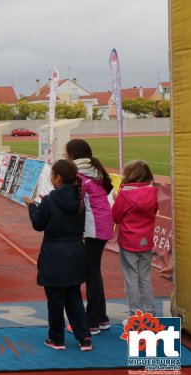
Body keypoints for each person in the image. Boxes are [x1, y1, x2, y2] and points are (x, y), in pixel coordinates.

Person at [24, 159, 92, 351]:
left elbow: (38, 224)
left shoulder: (50, 200)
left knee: (55, 300)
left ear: (59, 178)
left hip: (54, 255)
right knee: (74, 297)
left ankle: (57, 339)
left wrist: (31, 207)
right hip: (76, 252)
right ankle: (84, 337)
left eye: (52, 176)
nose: (51, 179)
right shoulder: (79, 200)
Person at [64, 139, 114, 335]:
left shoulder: (78, 175)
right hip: (101, 225)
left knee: (90, 274)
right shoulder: (95, 171)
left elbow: (74, 203)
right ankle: (100, 318)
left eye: (66, 154)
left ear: (72, 155)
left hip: (94, 227)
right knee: (93, 272)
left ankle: (91, 321)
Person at [112, 160, 158, 323]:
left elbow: (116, 217)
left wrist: (117, 199)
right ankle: (149, 313)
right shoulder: (153, 192)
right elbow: (154, 210)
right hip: (146, 241)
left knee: (131, 277)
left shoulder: (125, 194)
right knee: (145, 277)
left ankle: (135, 315)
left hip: (129, 241)